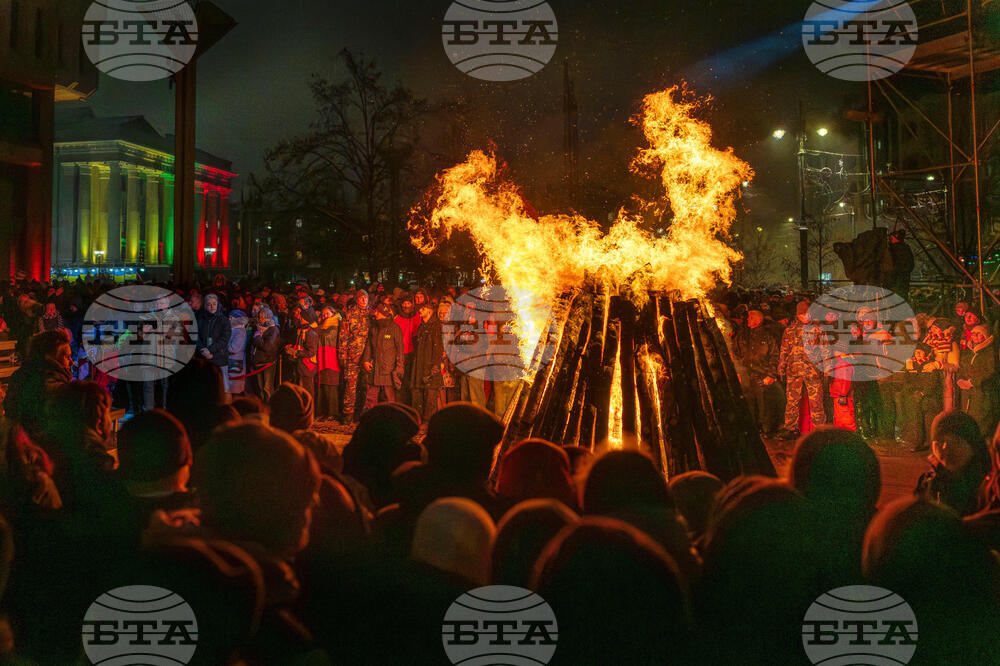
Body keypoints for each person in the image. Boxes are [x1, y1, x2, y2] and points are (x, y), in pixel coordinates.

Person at [916, 410, 991, 517]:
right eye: (939, 441)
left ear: (972, 446)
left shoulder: (988, 487)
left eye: (955, 441)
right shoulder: (929, 482)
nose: (945, 447)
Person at [2, 328, 72, 441]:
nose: (71, 361)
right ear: (51, 357)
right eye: (67, 357)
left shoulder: (20, 374)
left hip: (19, 444)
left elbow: (10, 412)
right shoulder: (53, 386)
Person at [776, 299, 827, 438]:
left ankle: (820, 430)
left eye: (808, 314)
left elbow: (825, 350)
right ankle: (791, 428)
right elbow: (784, 350)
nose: (806, 317)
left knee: (816, 401)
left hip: (813, 371)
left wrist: (827, 369)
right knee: (792, 401)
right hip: (793, 370)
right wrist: (781, 366)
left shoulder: (818, 329)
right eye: (802, 314)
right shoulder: (790, 330)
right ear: (797, 315)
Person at [733, 309, 782, 434]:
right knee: (749, 403)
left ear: (758, 320)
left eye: (751, 317)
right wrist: (738, 372)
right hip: (746, 375)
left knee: (764, 405)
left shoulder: (768, 336)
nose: (747, 319)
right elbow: (735, 354)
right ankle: (752, 429)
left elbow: (775, 356)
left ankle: (766, 429)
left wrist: (771, 375)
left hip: (762, 374)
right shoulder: (742, 335)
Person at [361, 303, 405, 411]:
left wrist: (399, 367)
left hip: (389, 369)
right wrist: (366, 360)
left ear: (383, 313)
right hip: (374, 368)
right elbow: (369, 346)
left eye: (377, 311)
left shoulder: (395, 328)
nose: (375, 313)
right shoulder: (374, 328)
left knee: (389, 398)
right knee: (370, 397)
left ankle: (391, 417)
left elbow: (400, 350)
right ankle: (369, 416)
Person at [957, 324, 998, 436]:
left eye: (979, 333)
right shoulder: (969, 352)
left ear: (985, 336)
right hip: (968, 394)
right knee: (968, 419)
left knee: (981, 422)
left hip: (982, 394)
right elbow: (962, 368)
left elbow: (990, 372)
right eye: (973, 333)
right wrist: (960, 380)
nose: (975, 335)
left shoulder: (989, 352)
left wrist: (972, 382)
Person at [339, 290, 371, 422]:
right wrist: (343, 355)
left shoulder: (372, 314)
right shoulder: (349, 314)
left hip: (368, 356)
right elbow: (343, 336)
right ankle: (348, 413)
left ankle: (363, 413)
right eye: (361, 298)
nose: (364, 300)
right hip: (352, 356)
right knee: (350, 385)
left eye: (366, 298)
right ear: (357, 300)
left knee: (366, 386)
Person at [411, 301, 444, 420]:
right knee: (419, 396)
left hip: (430, 367)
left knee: (430, 398)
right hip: (420, 365)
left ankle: (428, 422)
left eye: (423, 309)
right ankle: (419, 420)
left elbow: (438, 347)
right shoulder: (422, 326)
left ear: (429, 311)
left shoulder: (436, 326)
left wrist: (435, 366)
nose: (420, 311)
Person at [197, 294, 232, 392]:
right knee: (207, 389)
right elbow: (196, 337)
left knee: (223, 388)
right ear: (205, 306)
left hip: (219, 357)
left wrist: (210, 350)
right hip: (204, 359)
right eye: (209, 304)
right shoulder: (200, 320)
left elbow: (224, 339)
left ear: (218, 304)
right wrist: (203, 351)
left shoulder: (224, 320)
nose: (212, 306)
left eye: (214, 304)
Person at [285, 305, 320, 403]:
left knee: (307, 393)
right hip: (301, 366)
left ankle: (309, 410)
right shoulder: (301, 331)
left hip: (307, 367)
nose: (300, 318)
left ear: (307, 319)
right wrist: (292, 347)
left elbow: (311, 351)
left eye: (302, 317)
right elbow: (300, 345)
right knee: (300, 392)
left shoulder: (311, 333)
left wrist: (296, 352)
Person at [249, 306, 281, 402]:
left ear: (268, 317)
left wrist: (257, 338)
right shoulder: (258, 329)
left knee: (267, 388)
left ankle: (270, 407)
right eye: (259, 317)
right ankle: (263, 406)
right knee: (260, 388)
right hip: (258, 362)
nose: (260, 319)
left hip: (267, 362)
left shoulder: (273, 330)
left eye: (262, 317)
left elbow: (267, 347)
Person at [316, 305, 342, 421]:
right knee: (325, 386)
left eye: (327, 313)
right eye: (323, 314)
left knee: (331, 387)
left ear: (333, 313)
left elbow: (326, 337)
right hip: (324, 358)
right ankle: (325, 412)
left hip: (331, 360)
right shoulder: (324, 326)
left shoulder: (336, 325)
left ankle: (332, 412)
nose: (325, 316)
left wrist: (317, 328)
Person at [394, 294, 420, 407]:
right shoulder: (397, 318)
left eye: (408, 303)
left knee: (411, 379)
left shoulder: (417, 316)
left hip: (413, 352)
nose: (406, 305)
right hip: (401, 353)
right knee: (402, 380)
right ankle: (401, 404)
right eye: (404, 303)